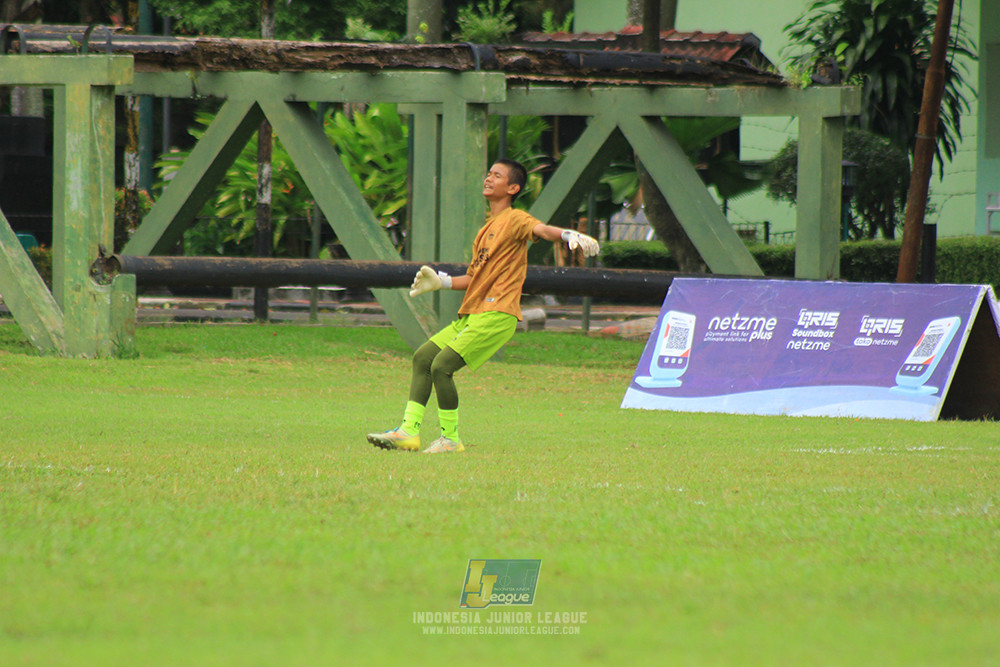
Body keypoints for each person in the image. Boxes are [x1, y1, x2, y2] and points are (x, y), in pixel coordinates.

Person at [366, 158, 600, 454]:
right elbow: (475, 277)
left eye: (497, 175)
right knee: (423, 357)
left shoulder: (514, 219)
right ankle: (408, 432)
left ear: (513, 187)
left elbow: (540, 230)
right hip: (472, 314)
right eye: (488, 173)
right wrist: (442, 282)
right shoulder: (486, 230)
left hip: (497, 314)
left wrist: (567, 234)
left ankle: (450, 439)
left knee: (441, 367)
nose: (488, 178)